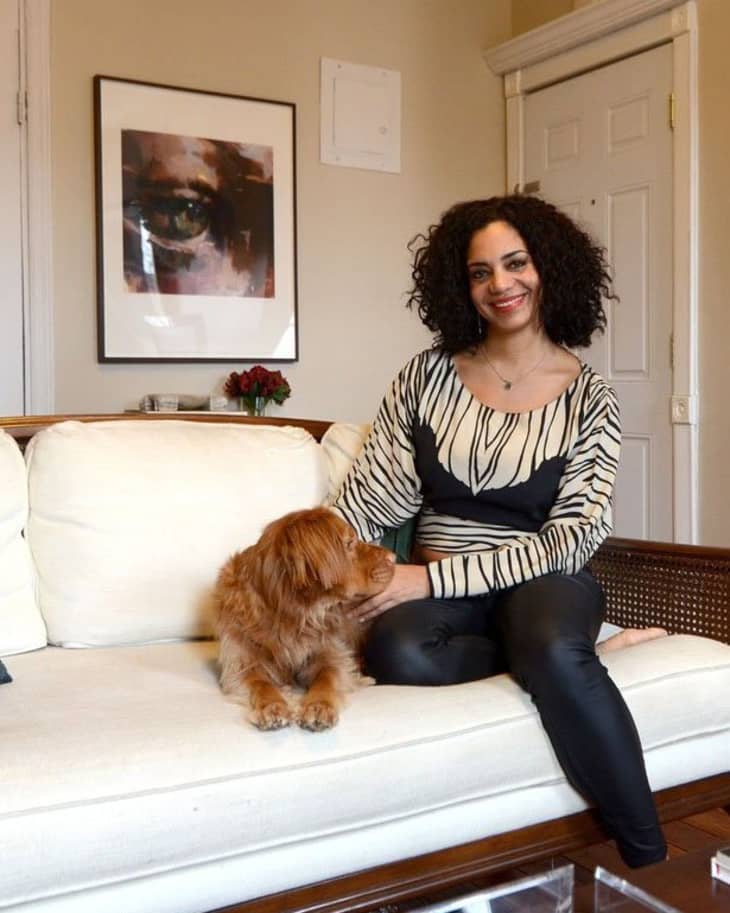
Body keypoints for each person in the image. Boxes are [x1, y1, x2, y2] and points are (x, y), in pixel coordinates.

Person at [332, 195, 667, 868]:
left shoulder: (591, 396)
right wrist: (328, 570)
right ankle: (583, 659)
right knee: (399, 650)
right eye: (480, 271)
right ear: (461, 286)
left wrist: (424, 578)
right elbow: (370, 499)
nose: (500, 284)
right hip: (445, 591)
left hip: (546, 579)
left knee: (546, 641)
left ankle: (649, 852)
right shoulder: (424, 379)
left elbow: (570, 537)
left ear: (549, 268)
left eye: (515, 263)